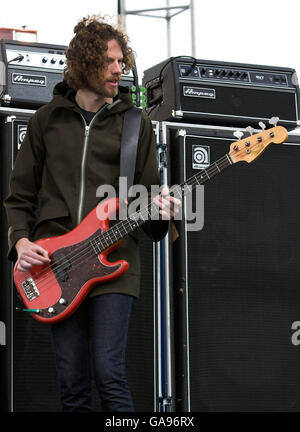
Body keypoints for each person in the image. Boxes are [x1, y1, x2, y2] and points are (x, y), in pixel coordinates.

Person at [4, 15, 180, 412]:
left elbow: (149, 212)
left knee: (110, 373)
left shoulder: (135, 125)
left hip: (114, 261)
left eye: (122, 61)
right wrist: (21, 241)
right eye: (110, 61)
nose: (120, 69)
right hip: (54, 265)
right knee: (72, 383)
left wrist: (163, 209)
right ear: (85, 63)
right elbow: (19, 197)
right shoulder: (46, 121)